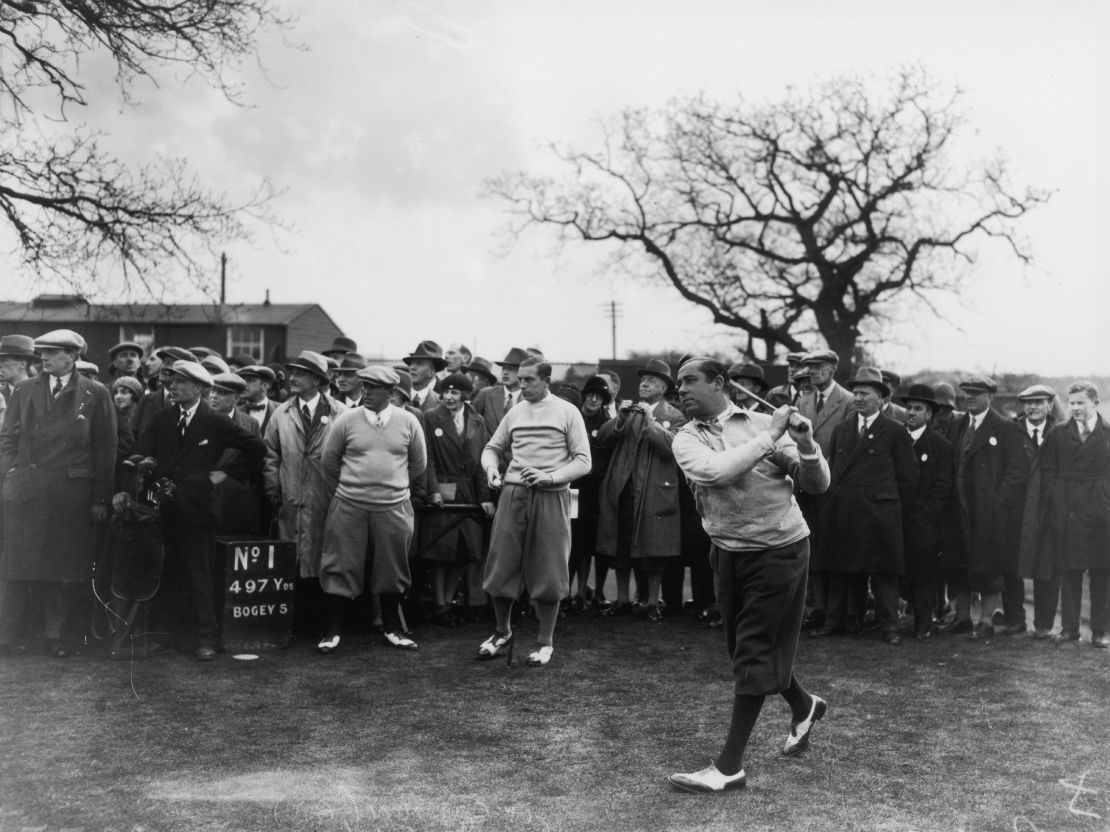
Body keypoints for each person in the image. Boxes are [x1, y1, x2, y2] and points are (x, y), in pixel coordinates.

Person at [668, 357, 829, 794]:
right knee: (744, 649)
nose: (679, 389)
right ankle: (804, 703)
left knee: (754, 650)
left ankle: (729, 767)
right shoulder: (685, 438)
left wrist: (808, 446)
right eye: (678, 383)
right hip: (728, 552)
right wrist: (771, 436)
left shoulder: (760, 422)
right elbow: (718, 472)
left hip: (781, 549)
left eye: (689, 381)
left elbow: (816, 485)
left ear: (719, 384)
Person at [121, 360, 265, 660]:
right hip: (163, 508)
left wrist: (223, 474)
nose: (172, 387)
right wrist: (137, 466)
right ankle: (168, 636)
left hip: (198, 511)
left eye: (180, 383)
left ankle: (205, 639)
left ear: (198, 387)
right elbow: (141, 449)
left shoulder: (214, 421)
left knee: (199, 575)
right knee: (167, 571)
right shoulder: (163, 418)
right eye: (171, 382)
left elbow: (256, 448)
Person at [0, 330, 116, 657]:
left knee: (64, 570)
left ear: (72, 355)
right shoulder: (24, 390)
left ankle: (59, 636)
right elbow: (8, 439)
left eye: (52, 352)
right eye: (42, 352)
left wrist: (100, 499)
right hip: (27, 493)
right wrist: (10, 475)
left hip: (71, 497)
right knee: (21, 568)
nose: (44, 358)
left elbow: (105, 450)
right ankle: (13, 636)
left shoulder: (95, 393)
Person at [477, 358, 591, 667]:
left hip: (552, 495)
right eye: (520, 380)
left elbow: (583, 461)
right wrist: (492, 471)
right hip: (513, 493)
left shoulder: (568, 412)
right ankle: (502, 632)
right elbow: (492, 449)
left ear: (546, 380)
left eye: (528, 380)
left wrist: (551, 477)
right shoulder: (515, 411)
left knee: (549, 568)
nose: (522, 385)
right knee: (501, 564)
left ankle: (545, 642)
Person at [318, 366, 427, 654]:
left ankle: (392, 629)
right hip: (349, 505)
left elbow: (418, 464)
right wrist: (350, 490)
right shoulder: (346, 420)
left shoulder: (408, 421)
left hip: (393, 507)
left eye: (372, 388)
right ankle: (332, 633)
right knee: (338, 565)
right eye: (364, 386)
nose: (365, 392)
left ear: (390, 393)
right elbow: (329, 462)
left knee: (393, 569)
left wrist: (392, 487)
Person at [815, 368, 917, 645]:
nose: (858, 398)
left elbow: (908, 477)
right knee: (841, 569)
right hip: (846, 510)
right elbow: (834, 473)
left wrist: (893, 509)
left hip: (881, 514)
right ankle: (837, 621)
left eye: (865, 393)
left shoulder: (895, 431)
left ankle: (889, 626)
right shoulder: (842, 430)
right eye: (856, 393)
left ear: (881, 398)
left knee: (885, 572)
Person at [595, 359, 686, 621]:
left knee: (653, 549)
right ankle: (622, 599)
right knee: (619, 545)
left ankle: (652, 602)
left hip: (654, 491)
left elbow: (671, 448)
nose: (644, 384)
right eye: (643, 380)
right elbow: (603, 438)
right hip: (623, 488)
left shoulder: (674, 415)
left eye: (651, 381)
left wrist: (650, 419)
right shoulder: (629, 410)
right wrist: (619, 419)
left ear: (664, 388)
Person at [263, 351, 347, 636]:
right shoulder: (281, 414)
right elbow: (270, 455)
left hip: (328, 499)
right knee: (293, 557)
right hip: (291, 498)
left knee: (324, 557)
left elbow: (349, 456)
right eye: (293, 372)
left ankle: (325, 624)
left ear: (316, 379)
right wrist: (273, 486)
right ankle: (294, 623)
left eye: (300, 373)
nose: (293, 378)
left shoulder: (341, 413)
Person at [945, 376, 1028, 639]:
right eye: (967, 393)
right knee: (960, 561)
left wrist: (997, 501)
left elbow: (1017, 471)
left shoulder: (1004, 427)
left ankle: (986, 621)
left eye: (977, 393)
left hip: (987, 512)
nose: (970, 397)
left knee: (988, 564)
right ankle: (962, 618)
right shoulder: (957, 424)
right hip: (959, 506)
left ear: (990, 397)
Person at [1037, 382, 1110, 647]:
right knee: (1069, 572)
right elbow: (1047, 471)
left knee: (1101, 572)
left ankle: (1100, 631)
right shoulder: (1058, 434)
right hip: (1067, 510)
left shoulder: (1107, 433)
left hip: (1101, 513)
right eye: (1072, 403)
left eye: (1081, 403)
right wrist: (1057, 497)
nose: (1075, 408)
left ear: (1095, 403)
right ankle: (1070, 629)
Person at [420, 372, 494, 626]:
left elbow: (483, 461)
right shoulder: (431, 417)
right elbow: (427, 458)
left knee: (464, 553)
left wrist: (485, 497)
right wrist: (433, 490)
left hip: (469, 494)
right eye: (445, 392)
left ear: (465, 395)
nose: (448, 397)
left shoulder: (478, 420)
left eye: (454, 392)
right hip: (443, 491)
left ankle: (449, 601)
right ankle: (440, 606)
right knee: (441, 551)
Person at [895, 383, 954, 639]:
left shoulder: (940, 446)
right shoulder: (895, 439)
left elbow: (942, 489)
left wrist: (926, 516)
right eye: (908, 408)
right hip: (895, 518)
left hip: (923, 524)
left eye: (918, 409)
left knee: (923, 574)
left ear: (929, 414)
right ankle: (891, 618)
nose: (911, 413)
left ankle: (923, 623)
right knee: (896, 571)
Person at [1013, 384, 1059, 638]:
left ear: (1050, 405)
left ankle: (1043, 625)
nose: (1032, 407)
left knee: (1047, 567)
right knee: (1012, 565)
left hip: (1049, 509)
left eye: (1039, 402)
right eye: (1028, 402)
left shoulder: (1060, 432)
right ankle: (1014, 619)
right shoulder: (1012, 431)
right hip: (1017, 507)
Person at [569, 376, 613, 611]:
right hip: (572, 488)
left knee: (586, 543)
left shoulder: (606, 423)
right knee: (569, 539)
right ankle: (564, 590)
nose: (594, 399)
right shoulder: (573, 416)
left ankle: (581, 592)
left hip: (593, 491)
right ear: (585, 395)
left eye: (600, 396)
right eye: (591, 394)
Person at [471, 347, 529, 435]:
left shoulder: (531, 399)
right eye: (504, 368)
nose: (505, 372)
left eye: (510, 369)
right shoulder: (486, 394)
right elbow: (471, 424)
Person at [402, 340, 445, 412]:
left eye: (419, 364)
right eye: (411, 363)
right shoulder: (400, 393)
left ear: (431, 372)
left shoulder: (444, 394)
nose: (412, 367)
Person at [237, 365, 278, 433]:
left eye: (249, 380)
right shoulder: (236, 412)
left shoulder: (280, 410)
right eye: (243, 380)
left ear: (264, 386)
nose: (244, 385)